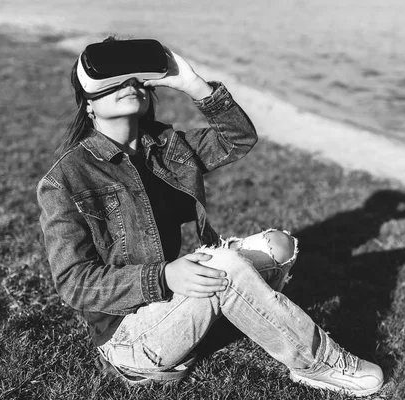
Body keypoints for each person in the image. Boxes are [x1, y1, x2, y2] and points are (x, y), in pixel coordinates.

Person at [37, 37, 384, 397]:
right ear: (89, 104)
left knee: (279, 247)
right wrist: (164, 275)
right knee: (226, 266)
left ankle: (240, 311)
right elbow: (73, 283)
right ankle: (319, 364)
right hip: (127, 337)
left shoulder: (165, 147)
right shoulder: (66, 179)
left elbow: (239, 138)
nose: (129, 84)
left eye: (135, 78)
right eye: (115, 79)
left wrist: (193, 85)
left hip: (170, 302)